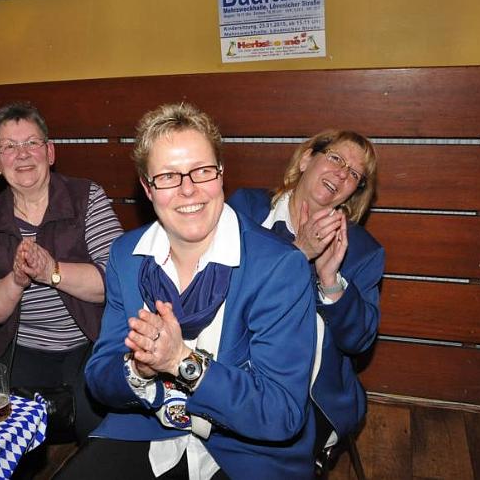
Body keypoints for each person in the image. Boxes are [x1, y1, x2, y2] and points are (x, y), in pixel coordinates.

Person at [59, 103, 317, 479]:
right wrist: (137, 369)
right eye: (168, 176)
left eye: (202, 170)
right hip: (149, 427)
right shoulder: (126, 256)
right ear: (147, 188)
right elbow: (99, 377)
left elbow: (281, 414)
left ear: (221, 174)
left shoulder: (278, 266)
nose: (188, 189)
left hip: (246, 448)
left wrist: (181, 361)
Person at [0, 102, 122, 444]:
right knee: (3, 435)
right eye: (9, 146)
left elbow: (117, 280)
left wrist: (52, 271)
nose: (22, 154)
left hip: (90, 341)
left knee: (98, 432)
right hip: (20, 348)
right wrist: (16, 280)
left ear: (50, 152)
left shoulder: (86, 197)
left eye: (31, 143)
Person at [227, 130, 384, 466]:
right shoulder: (246, 210)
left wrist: (331, 282)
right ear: (305, 159)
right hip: (230, 364)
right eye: (336, 159)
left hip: (309, 393)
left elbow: (359, 341)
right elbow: (217, 288)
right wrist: (299, 253)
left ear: (354, 192)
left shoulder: (362, 251)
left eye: (354, 174)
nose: (342, 174)